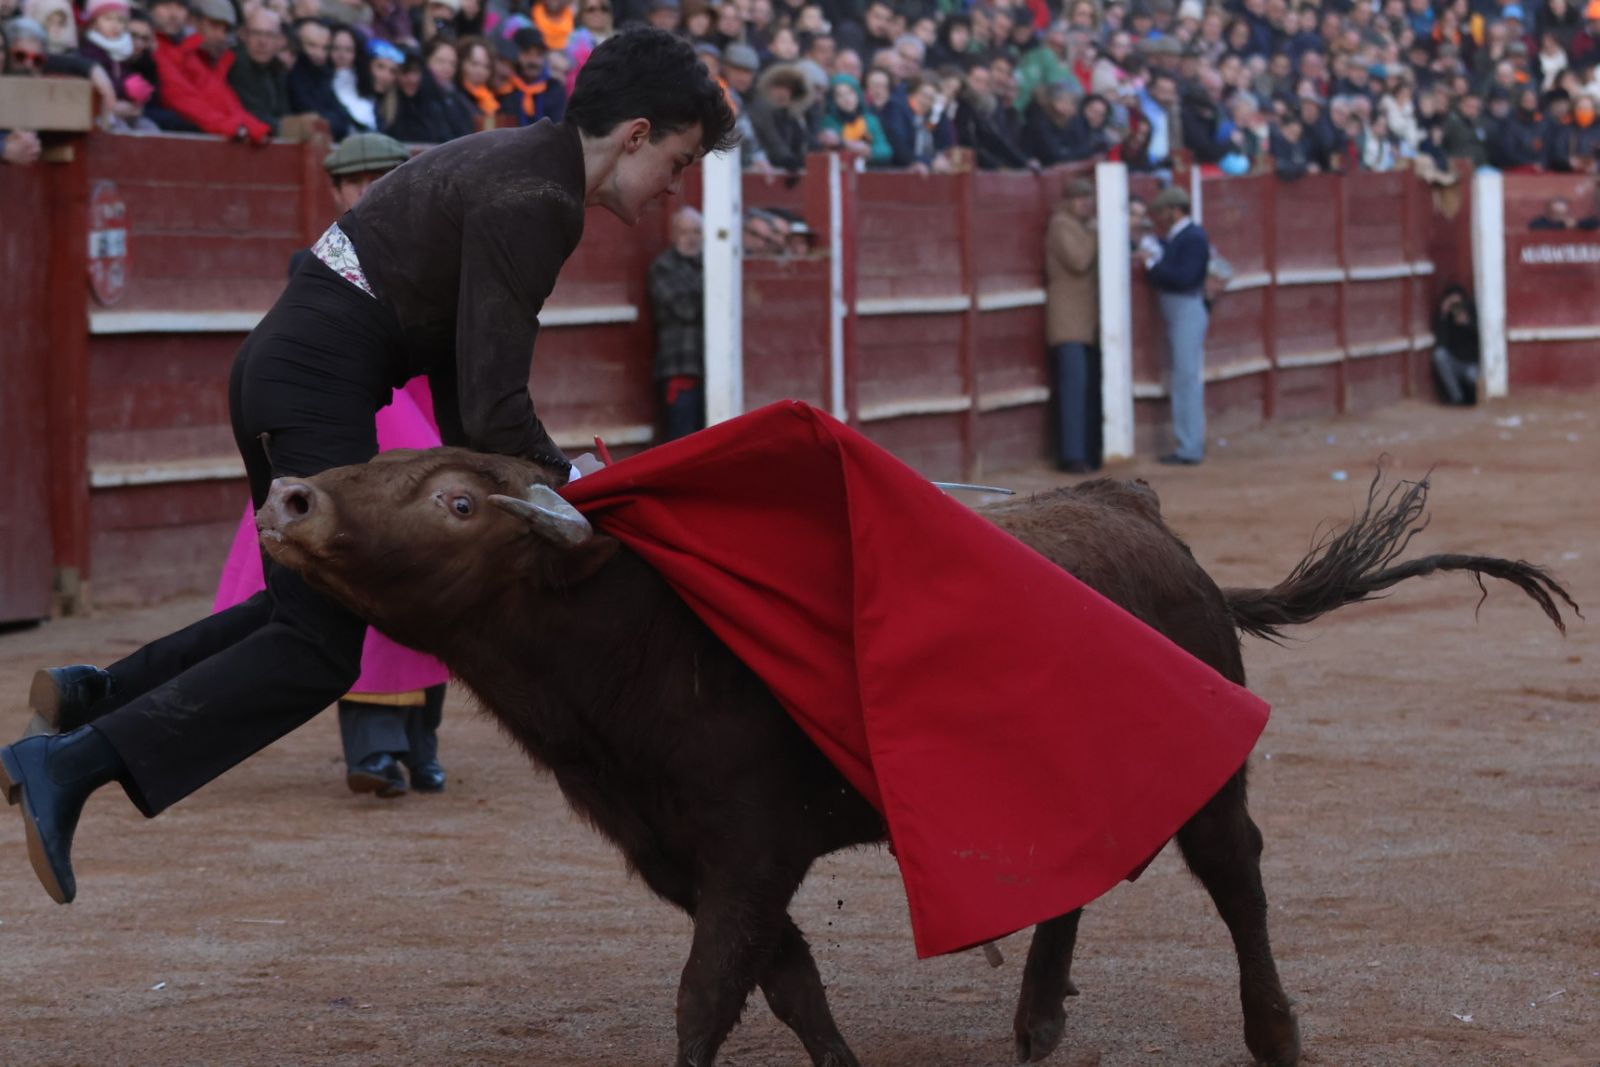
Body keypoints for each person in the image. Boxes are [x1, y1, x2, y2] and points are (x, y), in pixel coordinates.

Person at [0, 27, 738, 906]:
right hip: (314, 383)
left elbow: (470, 400)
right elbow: (494, 408)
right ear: (638, 134)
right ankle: (74, 764)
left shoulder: (515, 162)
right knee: (320, 649)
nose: (674, 188)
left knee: (297, 612)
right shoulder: (541, 195)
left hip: (282, 370)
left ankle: (91, 697)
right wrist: (568, 484)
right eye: (681, 163)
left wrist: (536, 473)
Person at [210, 131, 451, 797]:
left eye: (383, 178)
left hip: (421, 429)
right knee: (350, 571)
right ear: (338, 190)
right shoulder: (317, 264)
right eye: (358, 181)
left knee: (428, 575)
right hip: (347, 434)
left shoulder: (430, 255)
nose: (371, 191)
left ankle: (421, 742)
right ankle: (375, 750)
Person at [1140, 185, 1211, 466]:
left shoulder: (1192, 237)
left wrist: (1152, 266)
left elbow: (1184, 278)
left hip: (1185, 310)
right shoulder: (1184, 236)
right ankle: (1189, 443)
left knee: (1186, 379)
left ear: (1175, 210)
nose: (1160, 216)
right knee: (1185, 379)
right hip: (1182, 311)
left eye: (1163, 211)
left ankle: (1190, 446)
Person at [1044, 177, 1102, 474]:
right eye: (1080, 199)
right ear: (1068, 200)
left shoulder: (1075, 225)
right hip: (1067, 320)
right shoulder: (1061, 224)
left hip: (1082, 321)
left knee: (1082, 388)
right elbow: (1079, 260)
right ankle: (1072, 454)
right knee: (1074, 388)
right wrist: (1096, 232)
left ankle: (1083, 451)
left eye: (1089, 199)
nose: (1086, 204)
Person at [648, 206, 706, 442]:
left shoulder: (710, 264)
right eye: (685, 232)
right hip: (681, 367)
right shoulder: (663, 267)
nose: (691, 238)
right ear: (673, 235)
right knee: (684, 440)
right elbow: (687, 309)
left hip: (708, 370)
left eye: (696, 232)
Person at [1430, 284, 1480, 406]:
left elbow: (1481, 336)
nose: (1455, 307)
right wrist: (1443, 316)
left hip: (1472, 363)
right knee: (1439, 355)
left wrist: (1467, 323)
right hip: (1455, 362)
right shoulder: (1444, 317)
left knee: (1472, 377)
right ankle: (1457, 399)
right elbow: (1441, 342)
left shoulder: (1472, 311)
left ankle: (1472, 400)